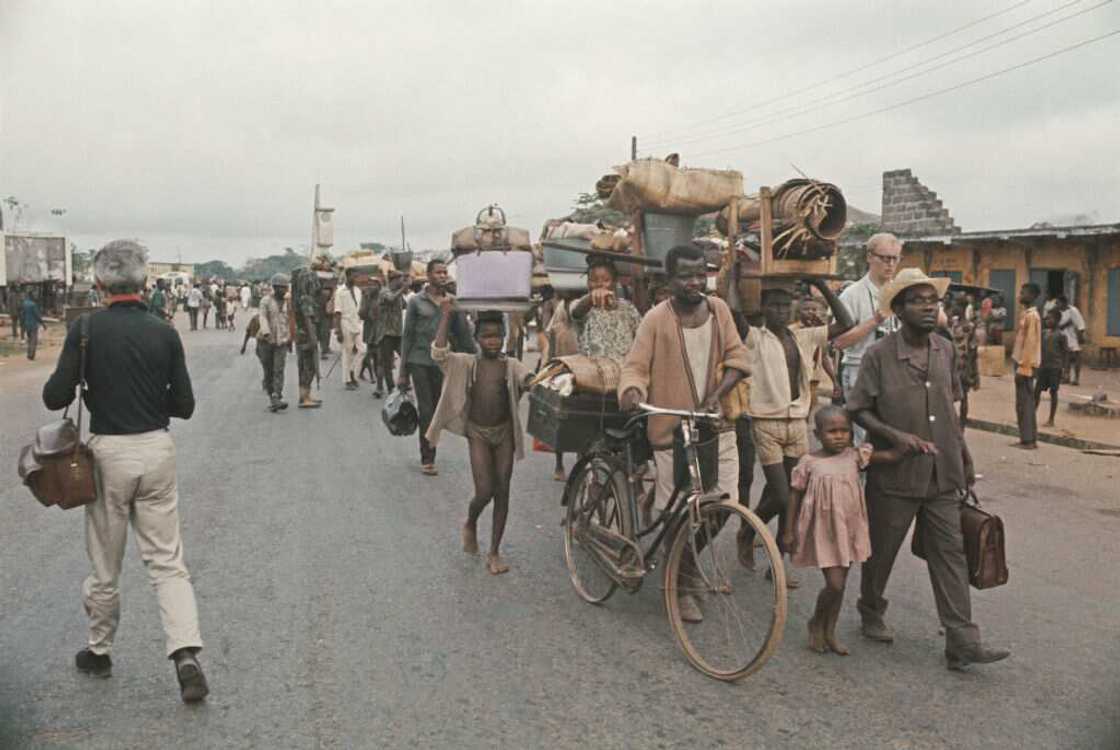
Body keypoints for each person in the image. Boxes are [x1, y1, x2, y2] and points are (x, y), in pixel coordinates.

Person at [41, 240, 208, 703]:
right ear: (146, 283)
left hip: (109, 453)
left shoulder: (86, 329)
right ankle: (185, 652)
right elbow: (186, 406)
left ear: (98, 285)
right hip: (157, 449)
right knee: (167, 562)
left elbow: (55, 397)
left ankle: (99, 649)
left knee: (105, 562)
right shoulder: (165, 331)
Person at [847, 268, 1009, 670]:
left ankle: (961, 641)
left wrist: (964, 457)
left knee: (950, 553)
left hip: (942, 472)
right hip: (896, 475)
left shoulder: (944, 349)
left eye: (931, 300)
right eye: (917, 300)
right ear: (898, 310)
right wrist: (894, 435)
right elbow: (858, 409)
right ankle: (871, 607)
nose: (927, 306)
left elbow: (949, 410)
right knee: (882, 551)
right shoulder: (878, 355)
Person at [619, 244, 750, 623]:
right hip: (672, 428)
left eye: (700, 274)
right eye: (685, 276)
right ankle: (680, 580)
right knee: (680, 512)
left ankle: (684, 567)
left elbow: (738, 358)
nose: (695, 282)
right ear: (668, 280)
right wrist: (632, 391)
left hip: (716, 426)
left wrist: (716, 396)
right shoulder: (655, 319)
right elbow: (636, 366)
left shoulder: (718, 309)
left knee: (724, 504)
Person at [738, 280, 854, 589]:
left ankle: (776, 565)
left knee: (795, 498)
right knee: (782, 495)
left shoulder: (803, 336)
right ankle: (748, 531)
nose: (778, 310)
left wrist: (821, 285)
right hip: (766, 422)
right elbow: (735, 312)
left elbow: (846, 323)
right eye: (772, 305)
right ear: (762, 308)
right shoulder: (754, 338)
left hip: (797, 422)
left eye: (783, 305)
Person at [426, 303, 534, 575]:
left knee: (503, 490)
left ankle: (495, 551)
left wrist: (533, 379)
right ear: (477, 339)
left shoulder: (511, 365)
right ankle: (471, 521)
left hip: (505, 433)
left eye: (497, 335)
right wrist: (447, 315)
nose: (493, 341)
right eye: (486, 336)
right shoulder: (466, 363)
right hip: (478, 433)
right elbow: (439, 353)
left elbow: (527, 376)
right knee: (485, 490)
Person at [785, 406, 898, 655]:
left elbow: (889, 457)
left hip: (849, 528)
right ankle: (816, 621)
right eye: (832, 431)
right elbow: (794, 494)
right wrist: (788, 530)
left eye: (844, 431)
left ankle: (829, 631)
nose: (839, 436)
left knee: (842, 583)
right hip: (823, 530)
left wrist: (909, 443)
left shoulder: (854, 456)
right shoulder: (809, 462)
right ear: (817, 433)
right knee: (834, 584)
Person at [399, 259, 476, 476]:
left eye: (445, 272)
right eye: (438, 272)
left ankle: (431, 446)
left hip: (443, 363)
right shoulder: (416, 301)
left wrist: (476, 361)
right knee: (426, 410)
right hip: (419, 360)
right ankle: (428, 457)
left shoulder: (453, 302)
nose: (442, 276)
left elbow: (464, 337)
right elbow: (408, 337)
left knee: (438, 410)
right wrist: (403, 372)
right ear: (429, 275)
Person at [833, 233, 903, 444]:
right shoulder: (852, 294)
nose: (890, 264)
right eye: (884, 258)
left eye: (895, 258)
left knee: (893, 436)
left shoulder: (902, 291)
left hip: (896, 371)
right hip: (860, 370)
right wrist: (874, 321)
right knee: (864, 439)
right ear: (869, 257)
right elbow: (839, 341)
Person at [569, 255, 641, 362]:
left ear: (615, 282)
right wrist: (590, 298)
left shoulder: (628, 308)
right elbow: (576, 313)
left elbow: (641, 336)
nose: (599, 284)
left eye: (606, 280)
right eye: (593, 280)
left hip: (625, 371)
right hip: (594, 371)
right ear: (587, 282)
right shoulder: (582, 306)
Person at [544, 291, 580, 480]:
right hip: (562, 373)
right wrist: (548, 374)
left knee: (580, 420)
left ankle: (580, 463)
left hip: (582, 374)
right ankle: (559, 464)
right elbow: (551, 351)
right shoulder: (557, 324)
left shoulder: (583, 321)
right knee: (561, 419)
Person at [1011, 283, 1042, 449]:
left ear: (1031, 295)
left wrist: (1023, 368)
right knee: (1021, 404)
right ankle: (1025, 437)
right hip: (1021, 362)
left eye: (1023, 292)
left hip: (1026, 366)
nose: (1020, 295)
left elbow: (1031, 344)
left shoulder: (1032, 316)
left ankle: (1029, 440)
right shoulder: (1026, 314)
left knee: (1026, 403)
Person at [257, 273, 292, 412]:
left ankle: (276, 395)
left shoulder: (288, 302)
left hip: (281, 341)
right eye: (281, 288)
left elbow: (290, 320)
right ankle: (272, 394)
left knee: (279, 369)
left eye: (285, 287)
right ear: (275, 288)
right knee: (269, 369)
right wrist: (266, 332)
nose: (283, 290)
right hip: (265, 341)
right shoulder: (266, 301)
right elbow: (262, 317)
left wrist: (291, 338)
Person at [290, 268, 323, 409]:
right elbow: (307, 317)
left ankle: (306, 395)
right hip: (307, 335)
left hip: (302, 334)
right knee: (308, 367)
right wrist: (313, 338)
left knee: (305, 366)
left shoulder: (298, 296)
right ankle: (304, 398)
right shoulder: (306, 298)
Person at [377, 270, 409, 397]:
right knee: (387, 363)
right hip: (386, 333)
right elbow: (390, 299)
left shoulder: (398, 293)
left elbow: (405, 306)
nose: (403, 282)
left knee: (406, 358)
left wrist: (403, 292)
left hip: (397, 332)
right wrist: (402, 290)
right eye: (401, 279)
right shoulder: (384, 291)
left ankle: (404, 383)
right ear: (394, 280)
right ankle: (390, 387)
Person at [333, 268, 365, 391]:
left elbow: (360, 307)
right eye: (354, 276)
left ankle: (352, 372)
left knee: (363, 349)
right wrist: (338, 331)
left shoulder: (358, 290)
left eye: (357, 276)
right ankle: (347, 380)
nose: (356, 279)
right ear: (348, 276)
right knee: (347, 353)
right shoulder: (340, 291)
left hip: (357, 322)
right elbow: (337, 312)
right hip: (345, 323)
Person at [1034, 309, 1068, 427]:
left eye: (1050, 318)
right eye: (1046, 318)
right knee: (1036, 391)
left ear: (1057, 320)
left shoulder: (1061, 335)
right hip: (1043, 367)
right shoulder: (1044, 333)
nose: (1047, 320)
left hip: (1055, 367)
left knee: (1053, 392)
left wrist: (1065, 370)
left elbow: (1065, 354)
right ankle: (1032, 415)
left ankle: (1051, 419)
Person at [949, 300, 980, 429]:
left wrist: (974, 373)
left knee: (963, 397)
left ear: (962, 308)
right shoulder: (954, 324)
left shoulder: (969, 326)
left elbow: (973, 350)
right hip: (953, 363)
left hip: (964, 365)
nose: (953, 308)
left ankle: (962, 425)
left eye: (956, 305)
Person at [358, 276, 384, 392]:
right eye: (369, 284)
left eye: (374, 284)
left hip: (381, 330)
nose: (371, 287)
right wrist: (366, 300)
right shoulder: (366, 297)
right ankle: (370, 375)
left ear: (379, 286)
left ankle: (379, 385)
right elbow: (361, 314)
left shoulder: (383, 296)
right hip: (370, 329)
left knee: (379, 357)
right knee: (370, 354)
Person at [1055, 294, 1086, 385]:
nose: (1057, 305)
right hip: (1063, 338)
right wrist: (1065, 324)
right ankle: (1066, 377)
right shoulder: (1058, 312)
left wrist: (1080, 337)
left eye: (1059, 303)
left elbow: (1081, 325)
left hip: (1073, 338)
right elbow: (1058, 326)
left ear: (1064, 303)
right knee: (1065, 358)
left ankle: (1076, 379)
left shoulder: (1073, 311)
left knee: (1076, 358)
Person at [21, 290, 44, 360]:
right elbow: (37, 315)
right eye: (34, 295)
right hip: (33, 325)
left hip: (27, 324)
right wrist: (42, 323)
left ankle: (28, 353)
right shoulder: (33, 305)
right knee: (33, 340)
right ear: (31, 296)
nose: (35, 296)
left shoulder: (24, 303)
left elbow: (22, 314)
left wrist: (22, 324)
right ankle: (31, 355)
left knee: (29, 339)